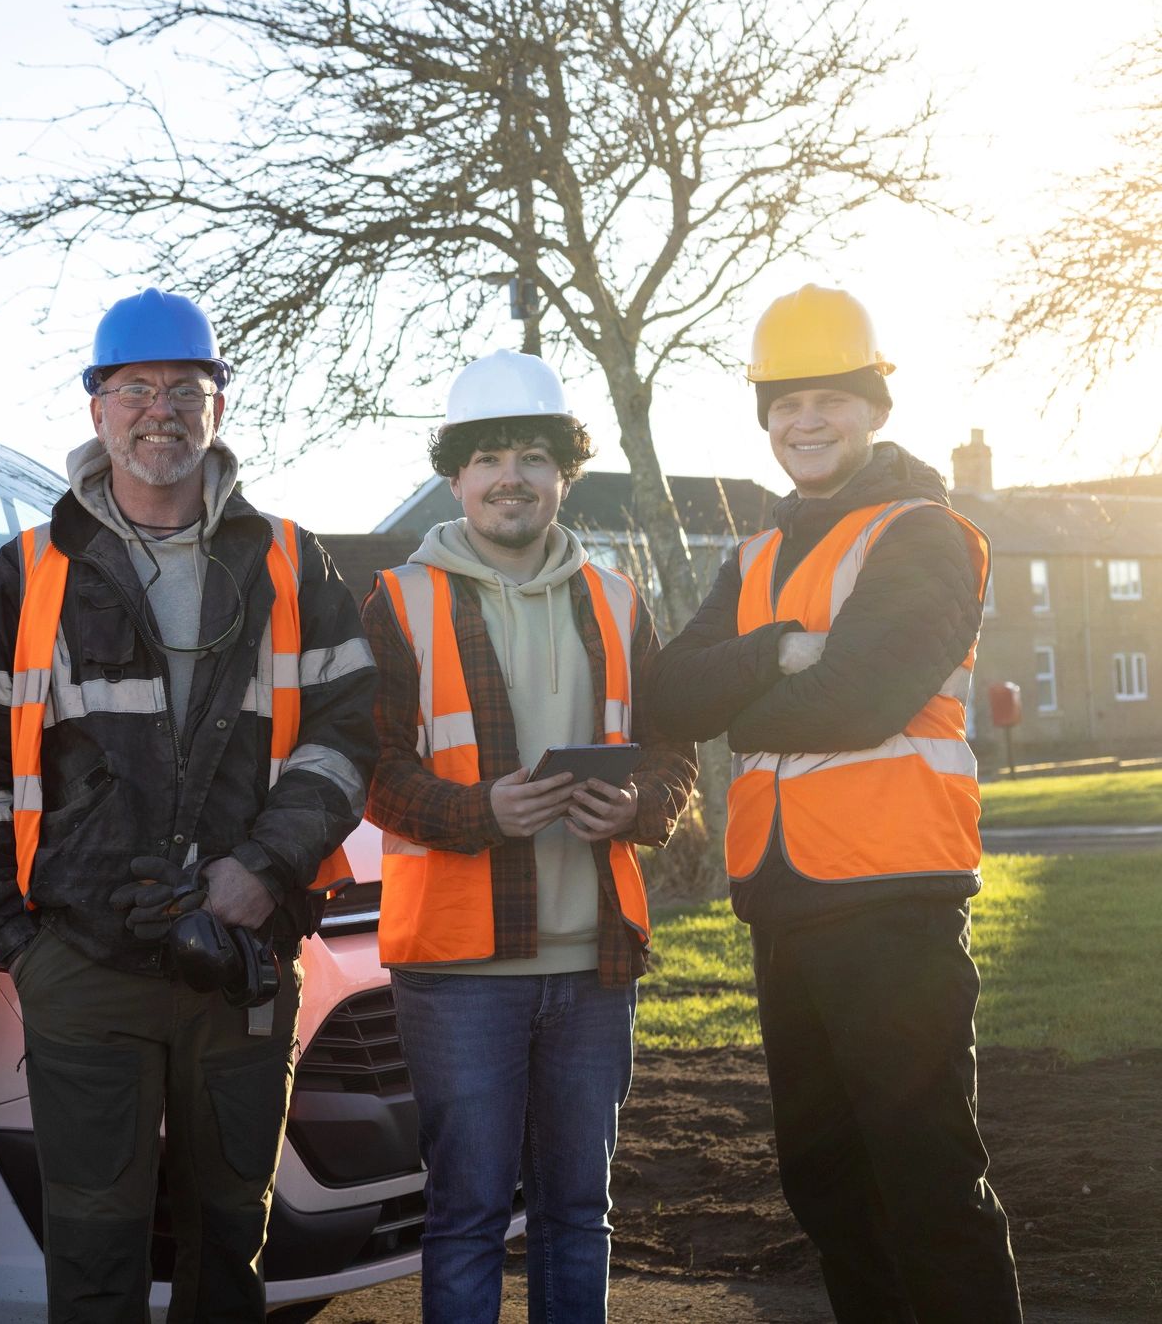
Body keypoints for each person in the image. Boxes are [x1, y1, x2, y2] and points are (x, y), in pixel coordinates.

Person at [0, 288, 377, 1323]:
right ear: (96, 410)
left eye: (184, 387)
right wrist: (13, 931)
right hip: (83, 962)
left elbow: (348, 732)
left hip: (246, 961)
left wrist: (261, 870)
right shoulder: (33, 571)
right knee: (91, 1249)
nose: (159, 410)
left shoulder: (289, 561)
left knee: (229, 1242)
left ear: (218, 404)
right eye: (134, 388)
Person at [645, 285, 1023, 1321]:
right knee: (825, 1181)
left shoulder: (924, 534)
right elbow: (669, 691)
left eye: (827, 400)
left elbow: (856, 700)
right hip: (783, 902)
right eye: (782, 405)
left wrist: (744, 702)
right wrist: (773, 652)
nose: (802, 423)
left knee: (925, 1182)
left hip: (893, 901)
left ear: (873, 410)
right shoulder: (755, 556)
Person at [359, 349, 695, 1322]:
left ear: (563, 471)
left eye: (533, 454)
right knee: (464, 1214)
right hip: (457, 969)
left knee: (576, 1214)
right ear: (455, 474)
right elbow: (366, 769)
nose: (511, 475)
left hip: (593, 963)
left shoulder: (618, 600)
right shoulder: (396, 603)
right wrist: (477, 813)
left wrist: (639, 808)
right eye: (488, 456)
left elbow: (672, 755)